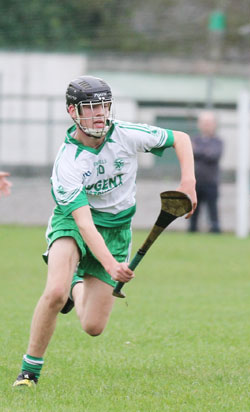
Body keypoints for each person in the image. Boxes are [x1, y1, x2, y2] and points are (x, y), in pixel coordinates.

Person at [13, 75, 197, 387]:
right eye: (91, 107)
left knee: (93, 326)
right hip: (73, 223)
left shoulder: (125, 134)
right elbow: (84, 224)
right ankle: (29, 372)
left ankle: (77, 286)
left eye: (104, 105)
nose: (100, 113)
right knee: (55, 292)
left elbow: (181, 138)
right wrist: (112, 266)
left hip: (116, 230)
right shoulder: (68, 162)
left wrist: (188, 183)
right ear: (73, 112)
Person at [188, 111, 223, 233]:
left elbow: (213, 155)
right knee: (193, 210)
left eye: (209, 123)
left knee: (212, 210)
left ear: (214, 124)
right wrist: (203, 152)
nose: (206, 125)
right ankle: (192, 231)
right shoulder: (194, 140)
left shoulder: (218, 141)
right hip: (195, 182)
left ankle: (215, 230)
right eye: (204, 122)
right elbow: (190, 154)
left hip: (211, 182)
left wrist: (198, 151)